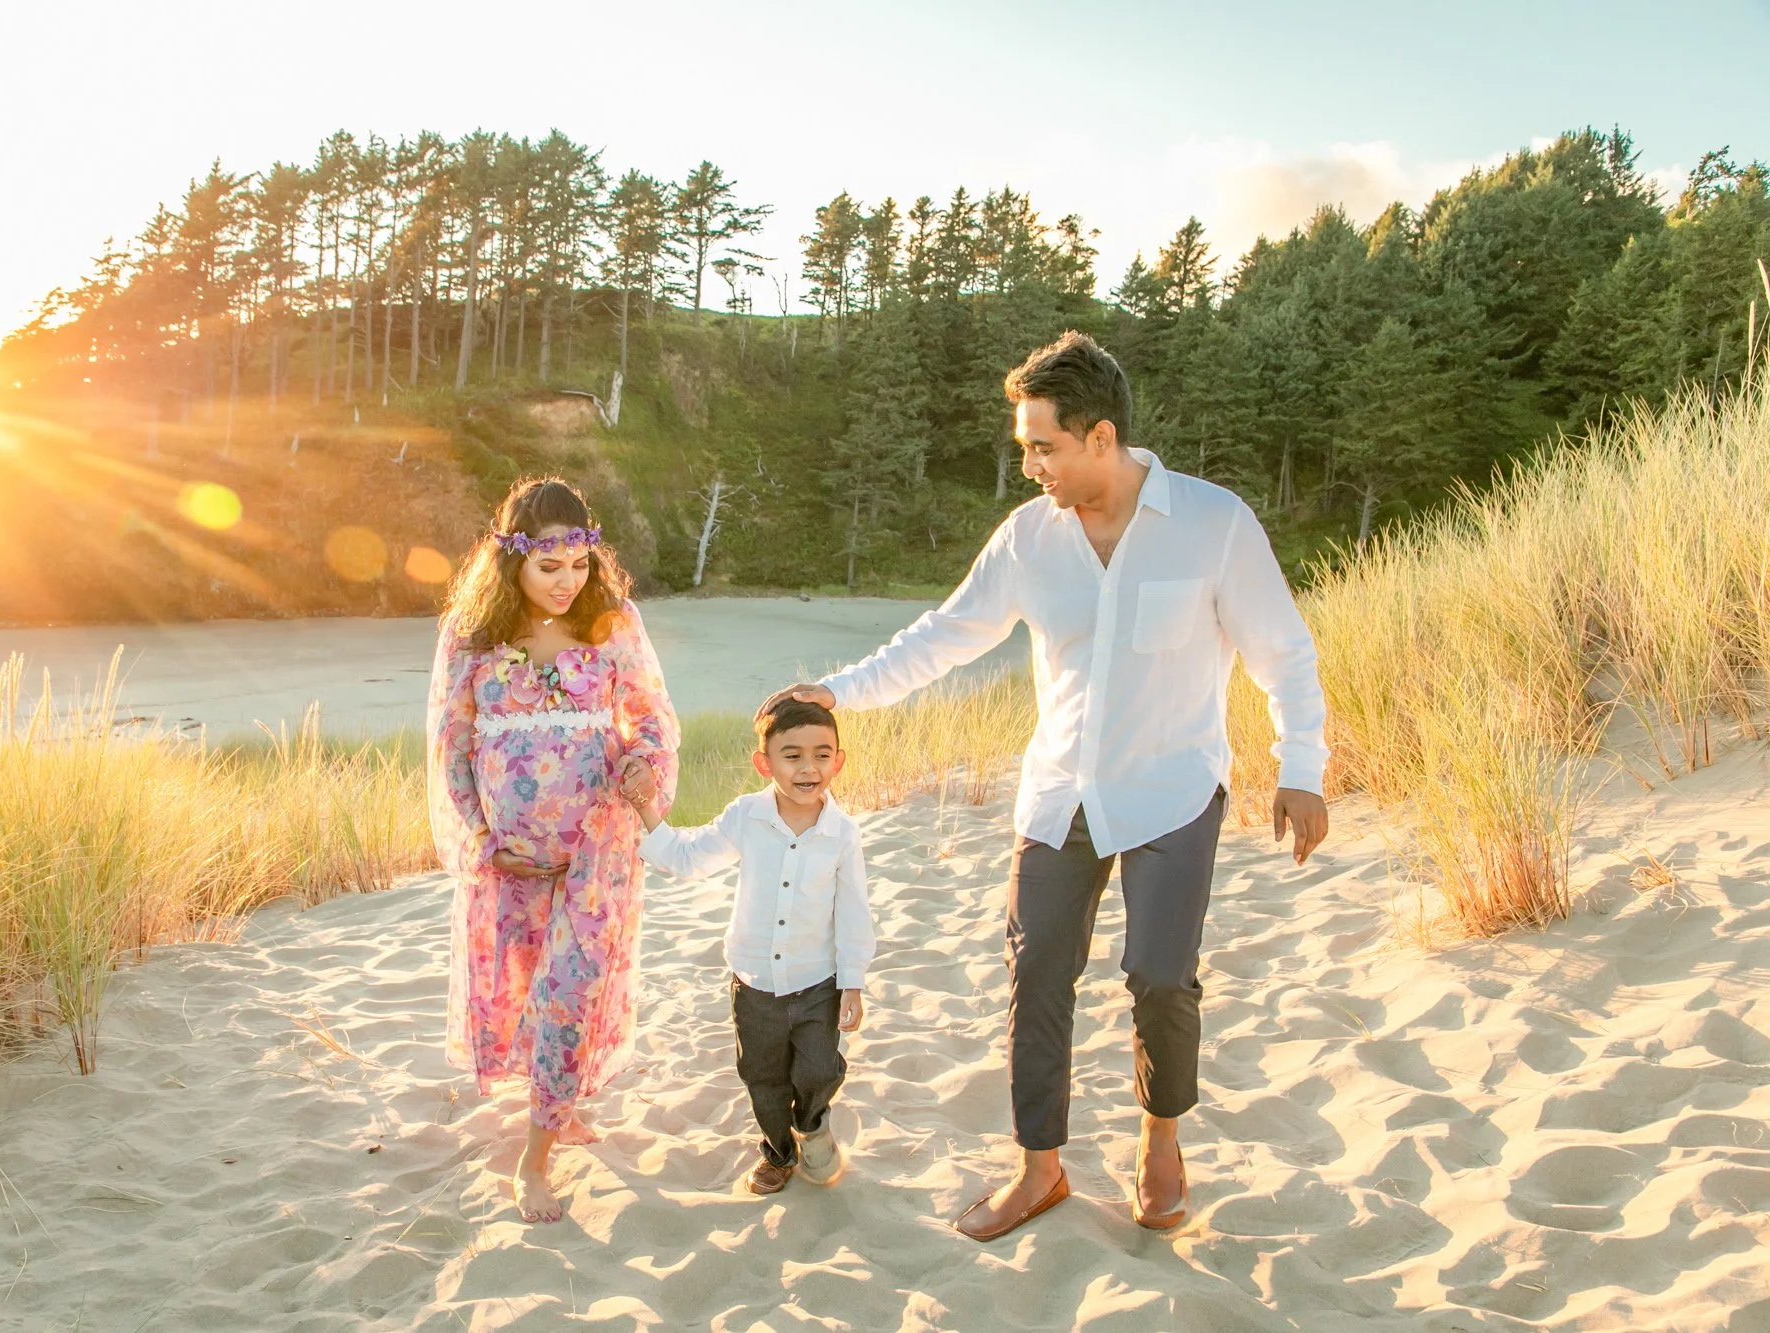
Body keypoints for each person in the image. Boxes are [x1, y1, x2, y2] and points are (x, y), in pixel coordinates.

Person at [763, 331, 1329, 1241]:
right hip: (1061, 794)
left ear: (1100, 437)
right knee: (1035, 974)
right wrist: (839, 691)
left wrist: (1302, 766)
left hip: (1174, 789)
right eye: (1024, 444)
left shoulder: (1214, 523)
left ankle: (1160, 1138)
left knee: (1159, 977)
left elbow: (1285, 654)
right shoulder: (1028, 537)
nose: (1028, 464)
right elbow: (943, 637)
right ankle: (1040, 1169)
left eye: (1043, 445)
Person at [426, 476, 680, 1224]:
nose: (569, 583)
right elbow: (453, 747)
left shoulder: (614, 620)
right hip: (510, 862)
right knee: (530, 995)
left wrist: (645, 770)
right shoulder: (472, 636)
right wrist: (478, 836)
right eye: (550, 568)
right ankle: (556, 1104)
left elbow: (653, 719)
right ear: (512, 564)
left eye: (578, 564)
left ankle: (532, 1163)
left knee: (570, 996)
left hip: (598, 853)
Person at [619, 697, 874, 1196]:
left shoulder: (843, 834)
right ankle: (778, 1151)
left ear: (839, 761)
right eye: (792, 755)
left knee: (820, 1068)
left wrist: (854, 982)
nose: (809, 767)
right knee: (762, 1077)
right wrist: (645, 804)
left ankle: (814, 1122)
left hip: (817, 981)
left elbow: (853, 913)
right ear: (765, 763)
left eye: (822, 755)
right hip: (754, 983)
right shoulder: (747, 816)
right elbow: (688, 858)